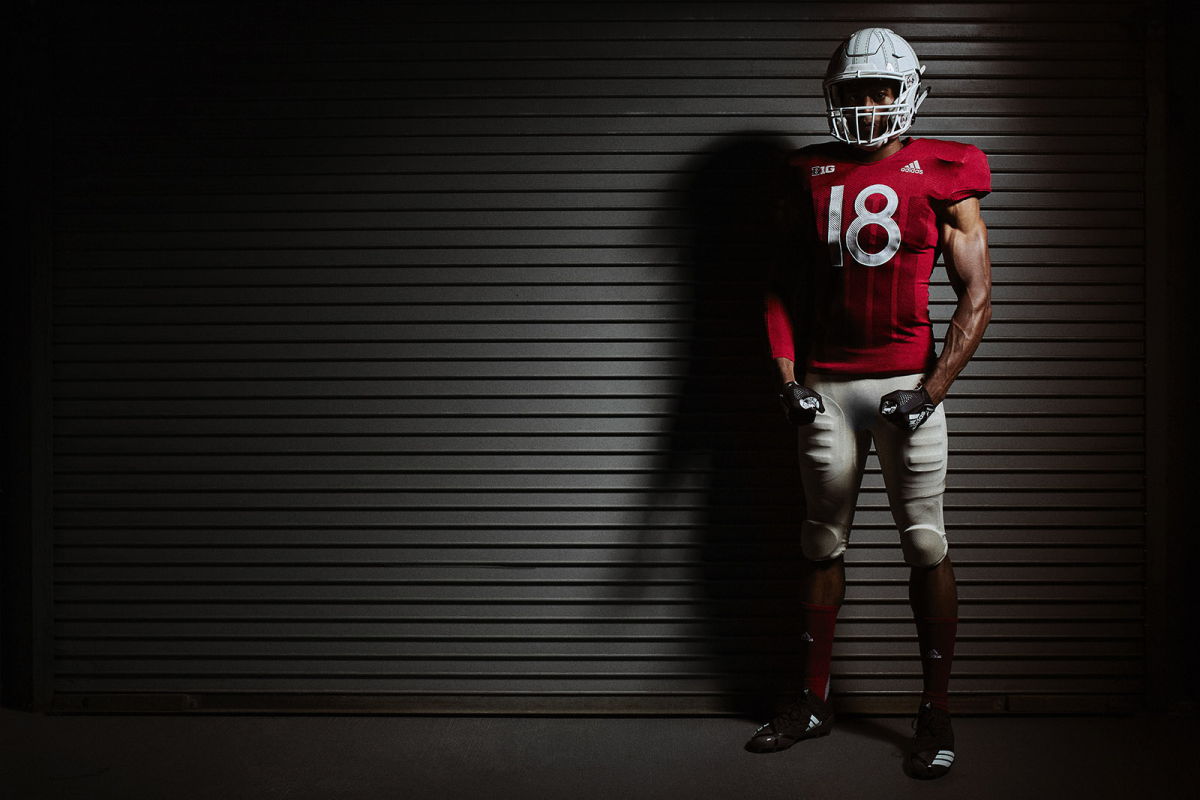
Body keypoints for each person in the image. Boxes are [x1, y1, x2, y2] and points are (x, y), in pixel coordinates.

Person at [745, 28, 992, 781]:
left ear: (910, 90)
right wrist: (786, 380)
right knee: (820, 540)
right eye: (855, 91)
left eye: (882, 89)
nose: (869, 103)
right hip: (825, 386)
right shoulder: (803, 171)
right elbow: (781, 287)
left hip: (902, 387)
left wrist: (931, 391)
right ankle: (814, 700)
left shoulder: (949, 167)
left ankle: (935, 708)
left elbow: (976, 294)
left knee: (925, 542)